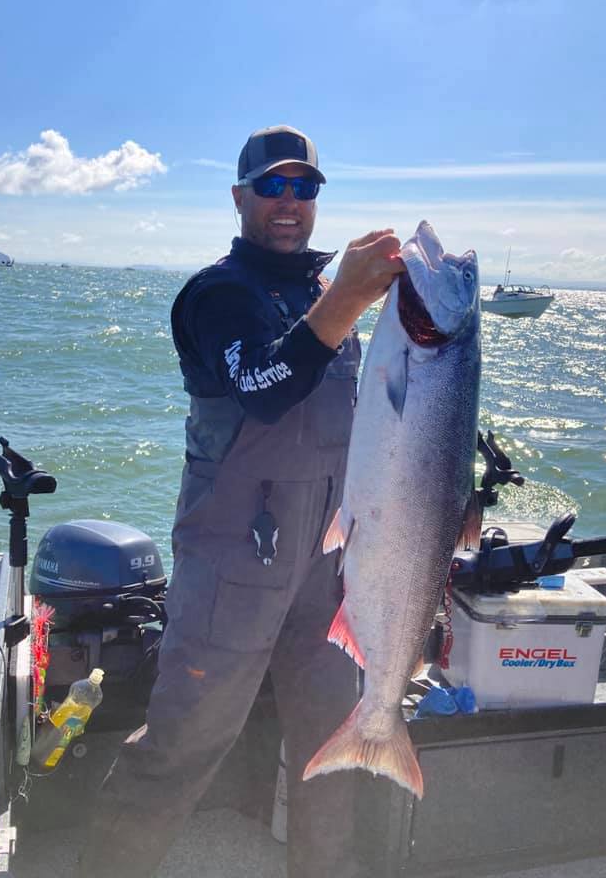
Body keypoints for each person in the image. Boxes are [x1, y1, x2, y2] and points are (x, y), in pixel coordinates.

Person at [78, 125, 404, 878]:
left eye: (305, 187)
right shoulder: (217, 294)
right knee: (183, 742)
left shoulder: (328, 289)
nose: (288, 202)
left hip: (326, 568)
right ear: (240, 197)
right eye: (272, 186)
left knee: (335, 746)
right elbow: (262, 388)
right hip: (231, 568)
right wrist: (351, 296)